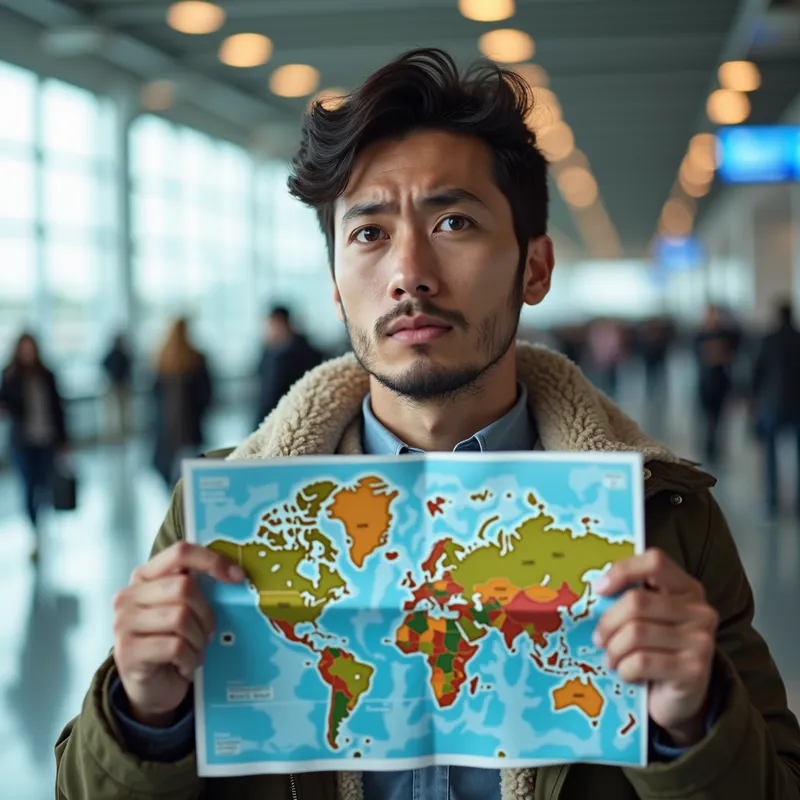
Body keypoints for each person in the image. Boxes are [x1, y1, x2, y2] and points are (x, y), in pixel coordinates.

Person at [55, 49, 800, 800]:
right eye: (370, 234)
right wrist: (144, 715)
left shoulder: (663, 517)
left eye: (454, 221)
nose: (410, 271)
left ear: (534, 268)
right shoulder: (223, 520)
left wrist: (690, 722)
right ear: (338, 291)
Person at [0, 333, 68, 560]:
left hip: (46, 439)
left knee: (45, 484)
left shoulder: (47, 375)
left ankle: (44, 523)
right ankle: (34, 530)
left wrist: (64, 440)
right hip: (23, 442)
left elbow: (59, 408)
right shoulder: (10, 376)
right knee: (28, 486)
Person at [751, 299, 800, 516]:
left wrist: (751, 398)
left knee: (770, 454)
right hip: (797, 404)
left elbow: (756, 372)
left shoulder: (768, 340)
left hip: (771, 404)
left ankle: (772, 503)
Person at [150, 318, 212, 488]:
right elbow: (207, 395)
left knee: (171, 469)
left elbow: (154, 396)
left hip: (167, 427)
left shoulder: (161, 359)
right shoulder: (197, 358)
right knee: (191, 472)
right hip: (190, 426)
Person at [254, 304, 323, 425]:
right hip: (269, 420)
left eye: (272, 325)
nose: (269, 330)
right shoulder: (269, 352)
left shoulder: (303, 354)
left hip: (291, 419)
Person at [694, 304, 740, 463]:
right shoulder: (700, 336)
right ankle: (708, 448)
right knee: (707, 418)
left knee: (719, 419)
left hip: (721, 383)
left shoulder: (726, 334)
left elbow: (732, 352)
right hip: (705, 384)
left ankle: (716, 448)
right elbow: (701, 357)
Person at [101, 333, 133, 440]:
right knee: (115, 414)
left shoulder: (121, 354)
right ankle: (116, 435)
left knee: (121, 414)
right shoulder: (118, 355)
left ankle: (119, 434)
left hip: (119, 386)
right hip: (115, 386)